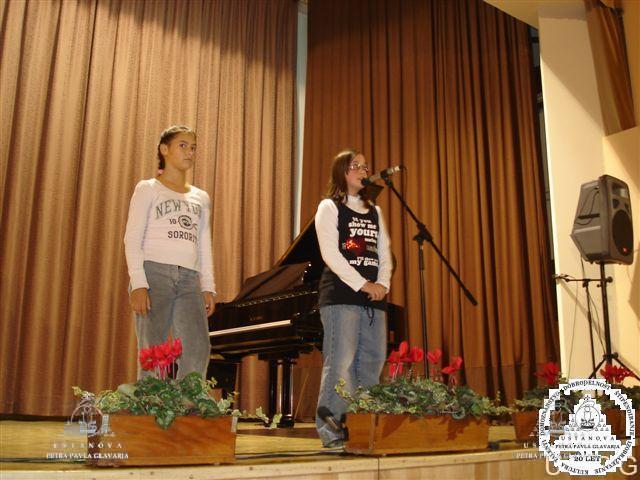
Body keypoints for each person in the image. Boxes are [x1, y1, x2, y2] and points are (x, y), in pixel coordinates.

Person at [315, 149, 392, 447]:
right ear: (341, 172)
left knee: (372, 362)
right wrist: (363, 284)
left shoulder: (375, 211)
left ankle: (363, 430)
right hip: (341, 297)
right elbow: (330, 254)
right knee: (341, 363)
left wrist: (382, 283)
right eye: (355, 166)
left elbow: (384, 253)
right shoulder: (329, 207)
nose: (363, 171)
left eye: (365, 166)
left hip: (374, 298)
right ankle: (331, 431)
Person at [124, 125, 215, 380]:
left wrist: (208, 285)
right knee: (154, 349)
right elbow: (132, 238)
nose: (190, 152)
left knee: (198, 346)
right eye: (183, 146)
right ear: (164, 149)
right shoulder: (148, 188)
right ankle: (151, 400)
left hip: (189, 279)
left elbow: (203, 244)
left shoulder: (201, 197)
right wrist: (139, 283)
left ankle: (188, 399)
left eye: (193, 147)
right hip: (154, 273)